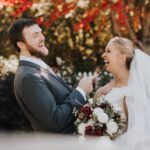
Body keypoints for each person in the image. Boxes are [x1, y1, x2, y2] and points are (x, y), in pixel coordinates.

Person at [8, 18, 96, 134]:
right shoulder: (29, 77)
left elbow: (62, 101)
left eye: (40, 33)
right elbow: (55, 121)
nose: (42, 38)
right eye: (35, 36)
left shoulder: (36, 68)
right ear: (21, 45)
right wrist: (80, 91)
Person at [94, 37, 150, 149]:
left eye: (108, 51)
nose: (103, 55)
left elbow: (139, 137)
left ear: (122, 56)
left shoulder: (134, 94)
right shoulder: (106, 89)